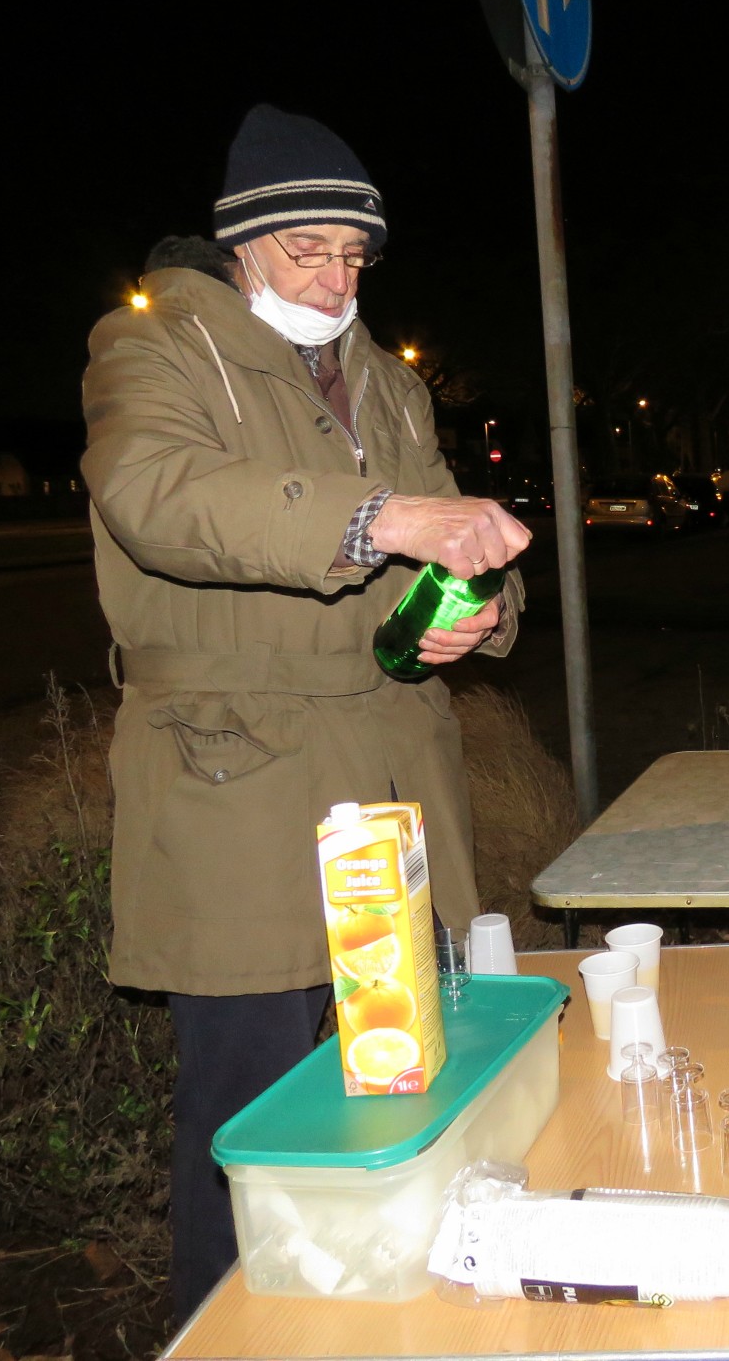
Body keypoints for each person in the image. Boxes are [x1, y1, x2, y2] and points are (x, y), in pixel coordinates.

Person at [82, 104, 532, 1319]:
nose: (334, 280)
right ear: (242, 246)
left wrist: (476, 612)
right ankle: (229, 1332)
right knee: (253, 1124)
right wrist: (376, 519)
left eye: (355, 255)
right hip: (242, 790)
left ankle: (388, 1322)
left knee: (413, 1088)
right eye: (306, 252)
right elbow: (158, 495)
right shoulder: (156, 352)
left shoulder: (387, 382)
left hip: (396, 785)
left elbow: (461, 542)